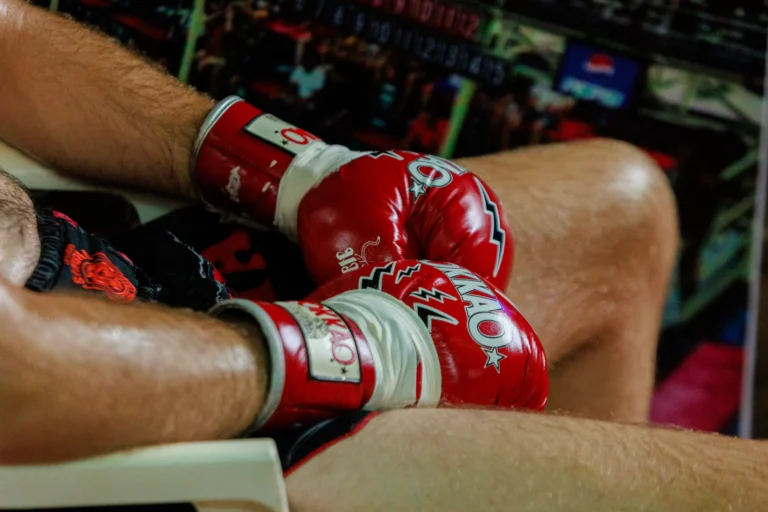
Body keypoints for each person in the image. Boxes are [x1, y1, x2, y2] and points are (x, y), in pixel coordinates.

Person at [2, 3, 751, 510]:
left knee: (622, 202)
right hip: (105, 436)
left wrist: (294, 170)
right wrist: (354, 352)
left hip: (119, 264)